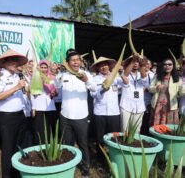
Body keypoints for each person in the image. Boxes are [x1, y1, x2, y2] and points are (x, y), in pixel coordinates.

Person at [54, 49, 96, 177]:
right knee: (67, 144)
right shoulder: (63, 75)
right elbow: (56, 85)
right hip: (65, 116)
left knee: (83, 143)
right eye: (73, 60)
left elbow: (94, 88)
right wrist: (59, 74)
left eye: (78, 60)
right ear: (68, 63)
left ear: (81, 62)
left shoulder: (86, 74)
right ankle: (69, 167)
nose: (76, 62)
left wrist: (86, 80)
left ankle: (85, 168)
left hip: (81, 116)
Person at [0, 48, 28, 178]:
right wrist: (16, 87)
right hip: (7, 118)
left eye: (16, 61)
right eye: (11, 61)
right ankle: (7, 175)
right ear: (4, 63)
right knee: (8, 149)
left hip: (20, 115)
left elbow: (23, 94)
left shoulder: (18, 76)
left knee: (20, 146)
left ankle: (17, 173)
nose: (15, 63)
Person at [90, 56, 128, 156]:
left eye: (105, 65)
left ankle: (113, 155)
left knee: (114, 136)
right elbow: (93, 94)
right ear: (98, 68)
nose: (104, 67)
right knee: (99, 137)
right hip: (99, 112)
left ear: (109, 66)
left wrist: (123, 76)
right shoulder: (94, 79)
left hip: (114, 112)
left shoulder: (116, 77)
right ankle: (100, 156)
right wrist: (102, 90)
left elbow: (126, 85)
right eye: (101, 65)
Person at [149, 58, 185, 125]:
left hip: (171, 106)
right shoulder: (157, 77)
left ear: (173, 66)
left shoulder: (177, 78)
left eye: (169, 64)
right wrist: (156, 88)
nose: (167, 66)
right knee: (156, 127)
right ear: (162, 66)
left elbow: (181, 92)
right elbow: (150, 88)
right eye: (165, 64)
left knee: (169, 128)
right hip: (158, 106)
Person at [31, 59, 57, 144]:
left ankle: (50, 145)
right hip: (39, 106)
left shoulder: (52, 77)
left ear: (48, 68)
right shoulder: (35, 77)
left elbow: (56, 92)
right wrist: (33, 108)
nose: (43, 69)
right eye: (41, 67)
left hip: (50, 106)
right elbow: (33, 94)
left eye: (45, 67)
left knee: (50, 127)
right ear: (39, 68)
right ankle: (40, 146)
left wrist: (53, 92)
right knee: (40, 128)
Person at [120, 55, 147, 132]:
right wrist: (132, 61)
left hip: (139, 107)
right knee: (125, 130)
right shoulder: (123, 73)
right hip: (126, 106)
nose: (135, 63)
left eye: (137, 62)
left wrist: (142, 65)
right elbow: (125, 75)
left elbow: (144, 79)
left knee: (136, 130)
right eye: (133, 61)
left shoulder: (142, 73)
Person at [140, 58, 155, 135]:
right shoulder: (138, 74)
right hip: (139, 100)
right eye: (145, 64)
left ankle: (145, 134)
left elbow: (155, 87)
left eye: (148, 64)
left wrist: (147, 89)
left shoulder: (153, 75)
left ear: (151, 66)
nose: (147, 65)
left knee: (146, 119)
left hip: (149, 100)